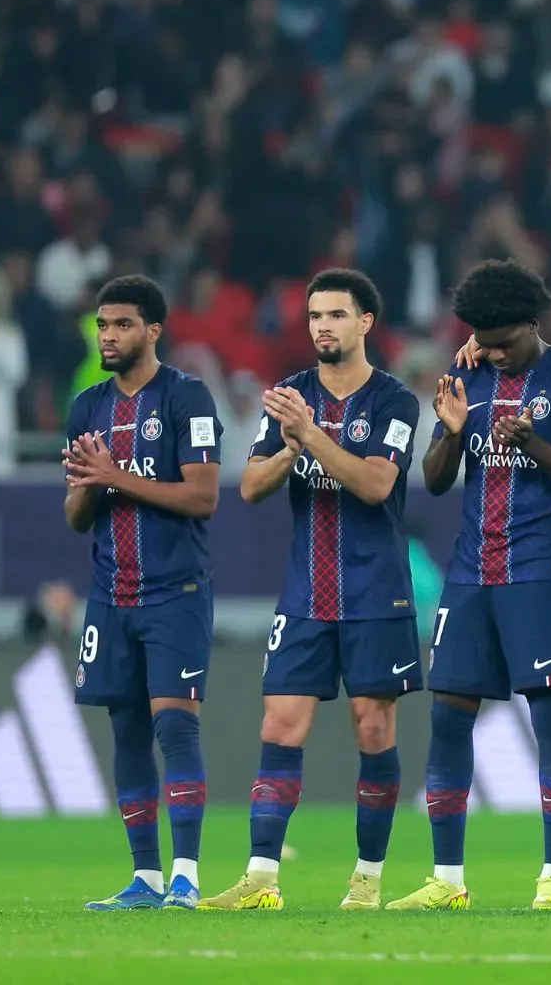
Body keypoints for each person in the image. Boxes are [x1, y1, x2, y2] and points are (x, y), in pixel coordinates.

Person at [389, 261, 551, 910]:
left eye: (504, 339)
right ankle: (447, 880)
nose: (493, 350)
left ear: (533, 324)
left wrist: (534, 443)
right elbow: (432, 480)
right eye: (482, 339)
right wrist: (453, 434)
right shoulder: (467, 376)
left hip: (539, 570)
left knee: (550, 719)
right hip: (470, 573)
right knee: (448, 717)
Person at [200, 269, 423, 911]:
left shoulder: (393, 402)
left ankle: (368, 880)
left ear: (364, 324)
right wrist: (291, 444)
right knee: (280, 724)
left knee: (373, 729)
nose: (322, 326)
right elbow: (250, 486)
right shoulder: (291, 395)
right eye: (314, 316)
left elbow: (376, 484)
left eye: (335, 315)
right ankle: (262, 879)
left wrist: (311, 437)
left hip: (377, 593)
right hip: (305, 594)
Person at [64, 275, 221, 911]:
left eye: (122, 325)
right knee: (126, 733)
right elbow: (76, 517)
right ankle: (146, 879)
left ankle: (186, 877)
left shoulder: (189, 397)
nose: (108, 336)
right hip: (109, 595)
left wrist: (115, 475)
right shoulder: (87, 408)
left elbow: (203, 497)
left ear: (153, 330)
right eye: (103, 325)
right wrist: (92, 483)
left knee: (175, 729)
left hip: (174, 591)